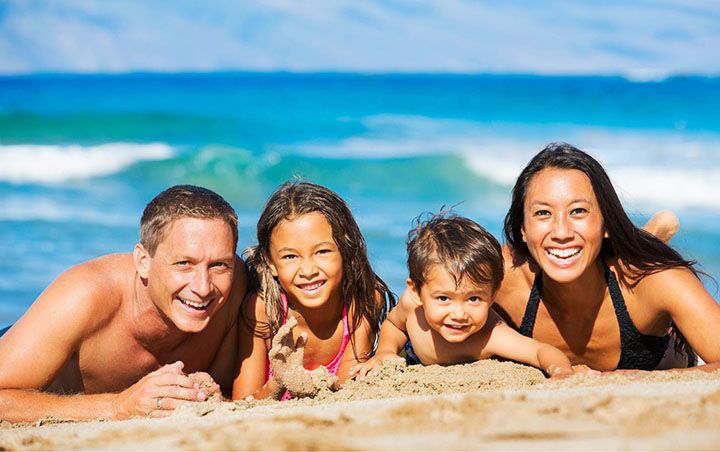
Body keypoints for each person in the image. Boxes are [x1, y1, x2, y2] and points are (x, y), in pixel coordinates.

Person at [0, 185, 247, 422]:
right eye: (184, 264)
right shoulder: (85, 295)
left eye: (219, 265)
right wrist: (118, 406)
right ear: (143, 261)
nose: (203, 287)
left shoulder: (235, 288)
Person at [493, 142, 720, 371]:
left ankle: (646, 241)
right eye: (543, 213)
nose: (561, 232)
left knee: (640, 261)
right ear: (522, 228)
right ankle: (648, 236)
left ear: (606, 223)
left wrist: (636, 379)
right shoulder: (500, 276)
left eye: (578, 211)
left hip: (656, 344)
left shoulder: (654, 278)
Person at [351, 213, 577, 379]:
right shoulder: (411, 306)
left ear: (493, 295)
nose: (459, 314)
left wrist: (561, 372)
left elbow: (541, 351)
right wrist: (386, 351)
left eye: (473, 299)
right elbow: (394, 324)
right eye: (443, 299)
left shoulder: (490, 335)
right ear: (417, 291)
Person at [233, 181, 395, 400]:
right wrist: (279, 382)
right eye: (290, 256)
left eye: (322, 252)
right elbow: (242, 403)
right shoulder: (263, 310)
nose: (308, 270)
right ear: (270, 263)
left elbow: (348, 392)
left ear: (346, 251)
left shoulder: (361, 300)